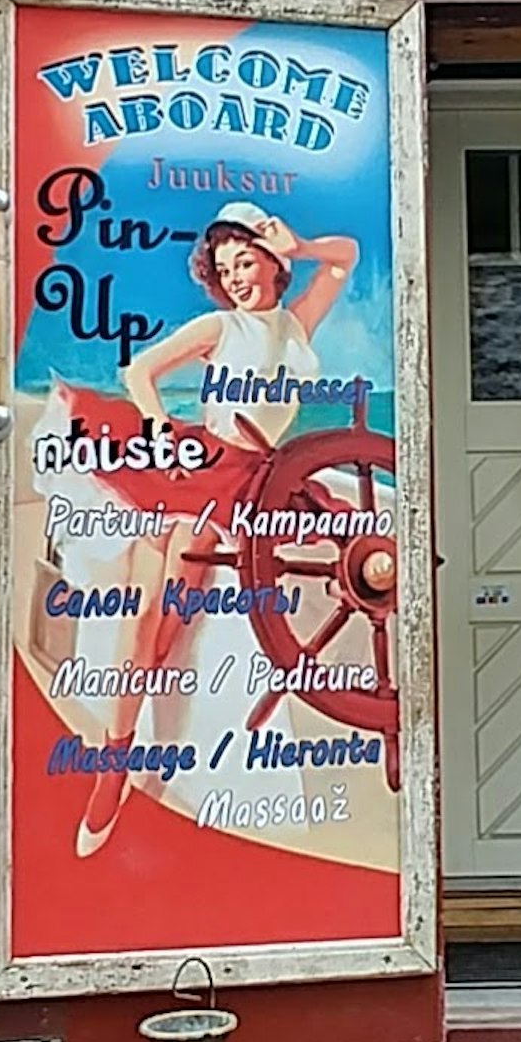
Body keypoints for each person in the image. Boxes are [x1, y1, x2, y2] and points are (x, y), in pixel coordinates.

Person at [63, 202, 359, 856]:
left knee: (167, 628)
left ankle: (137, 753)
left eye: (245, 261)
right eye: (224, 269)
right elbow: (138, 371)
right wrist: (158, 429)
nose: (236, 279)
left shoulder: (296, 327)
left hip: (255, 479)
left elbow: (346, 257)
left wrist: (302, 241)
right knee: (148, 625)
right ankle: (113, 766)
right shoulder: (218, 324)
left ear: (271, 262)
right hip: (201, 469)